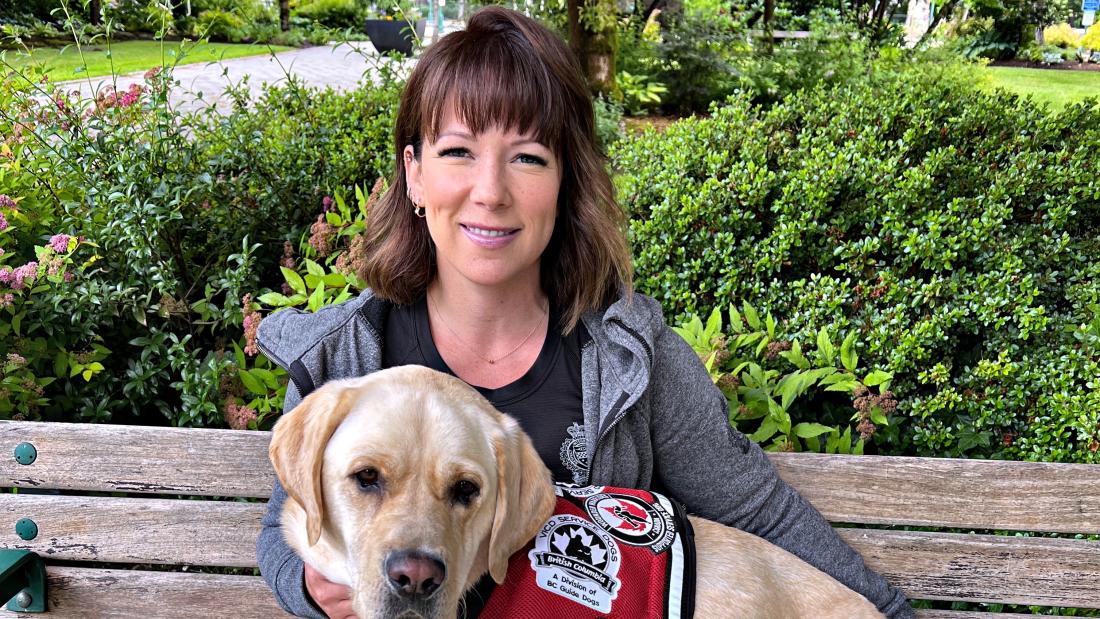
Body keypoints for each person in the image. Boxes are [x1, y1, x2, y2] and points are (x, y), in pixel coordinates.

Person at [255, 7, 914, 619]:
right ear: (416, 174)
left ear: (565, 181)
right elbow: (285, 530)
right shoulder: (345, 354)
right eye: (458, 151)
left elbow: (761, 516)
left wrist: (887, 612)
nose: (490, 191)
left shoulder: (632, 356)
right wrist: (310, 589)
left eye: (528, 158)